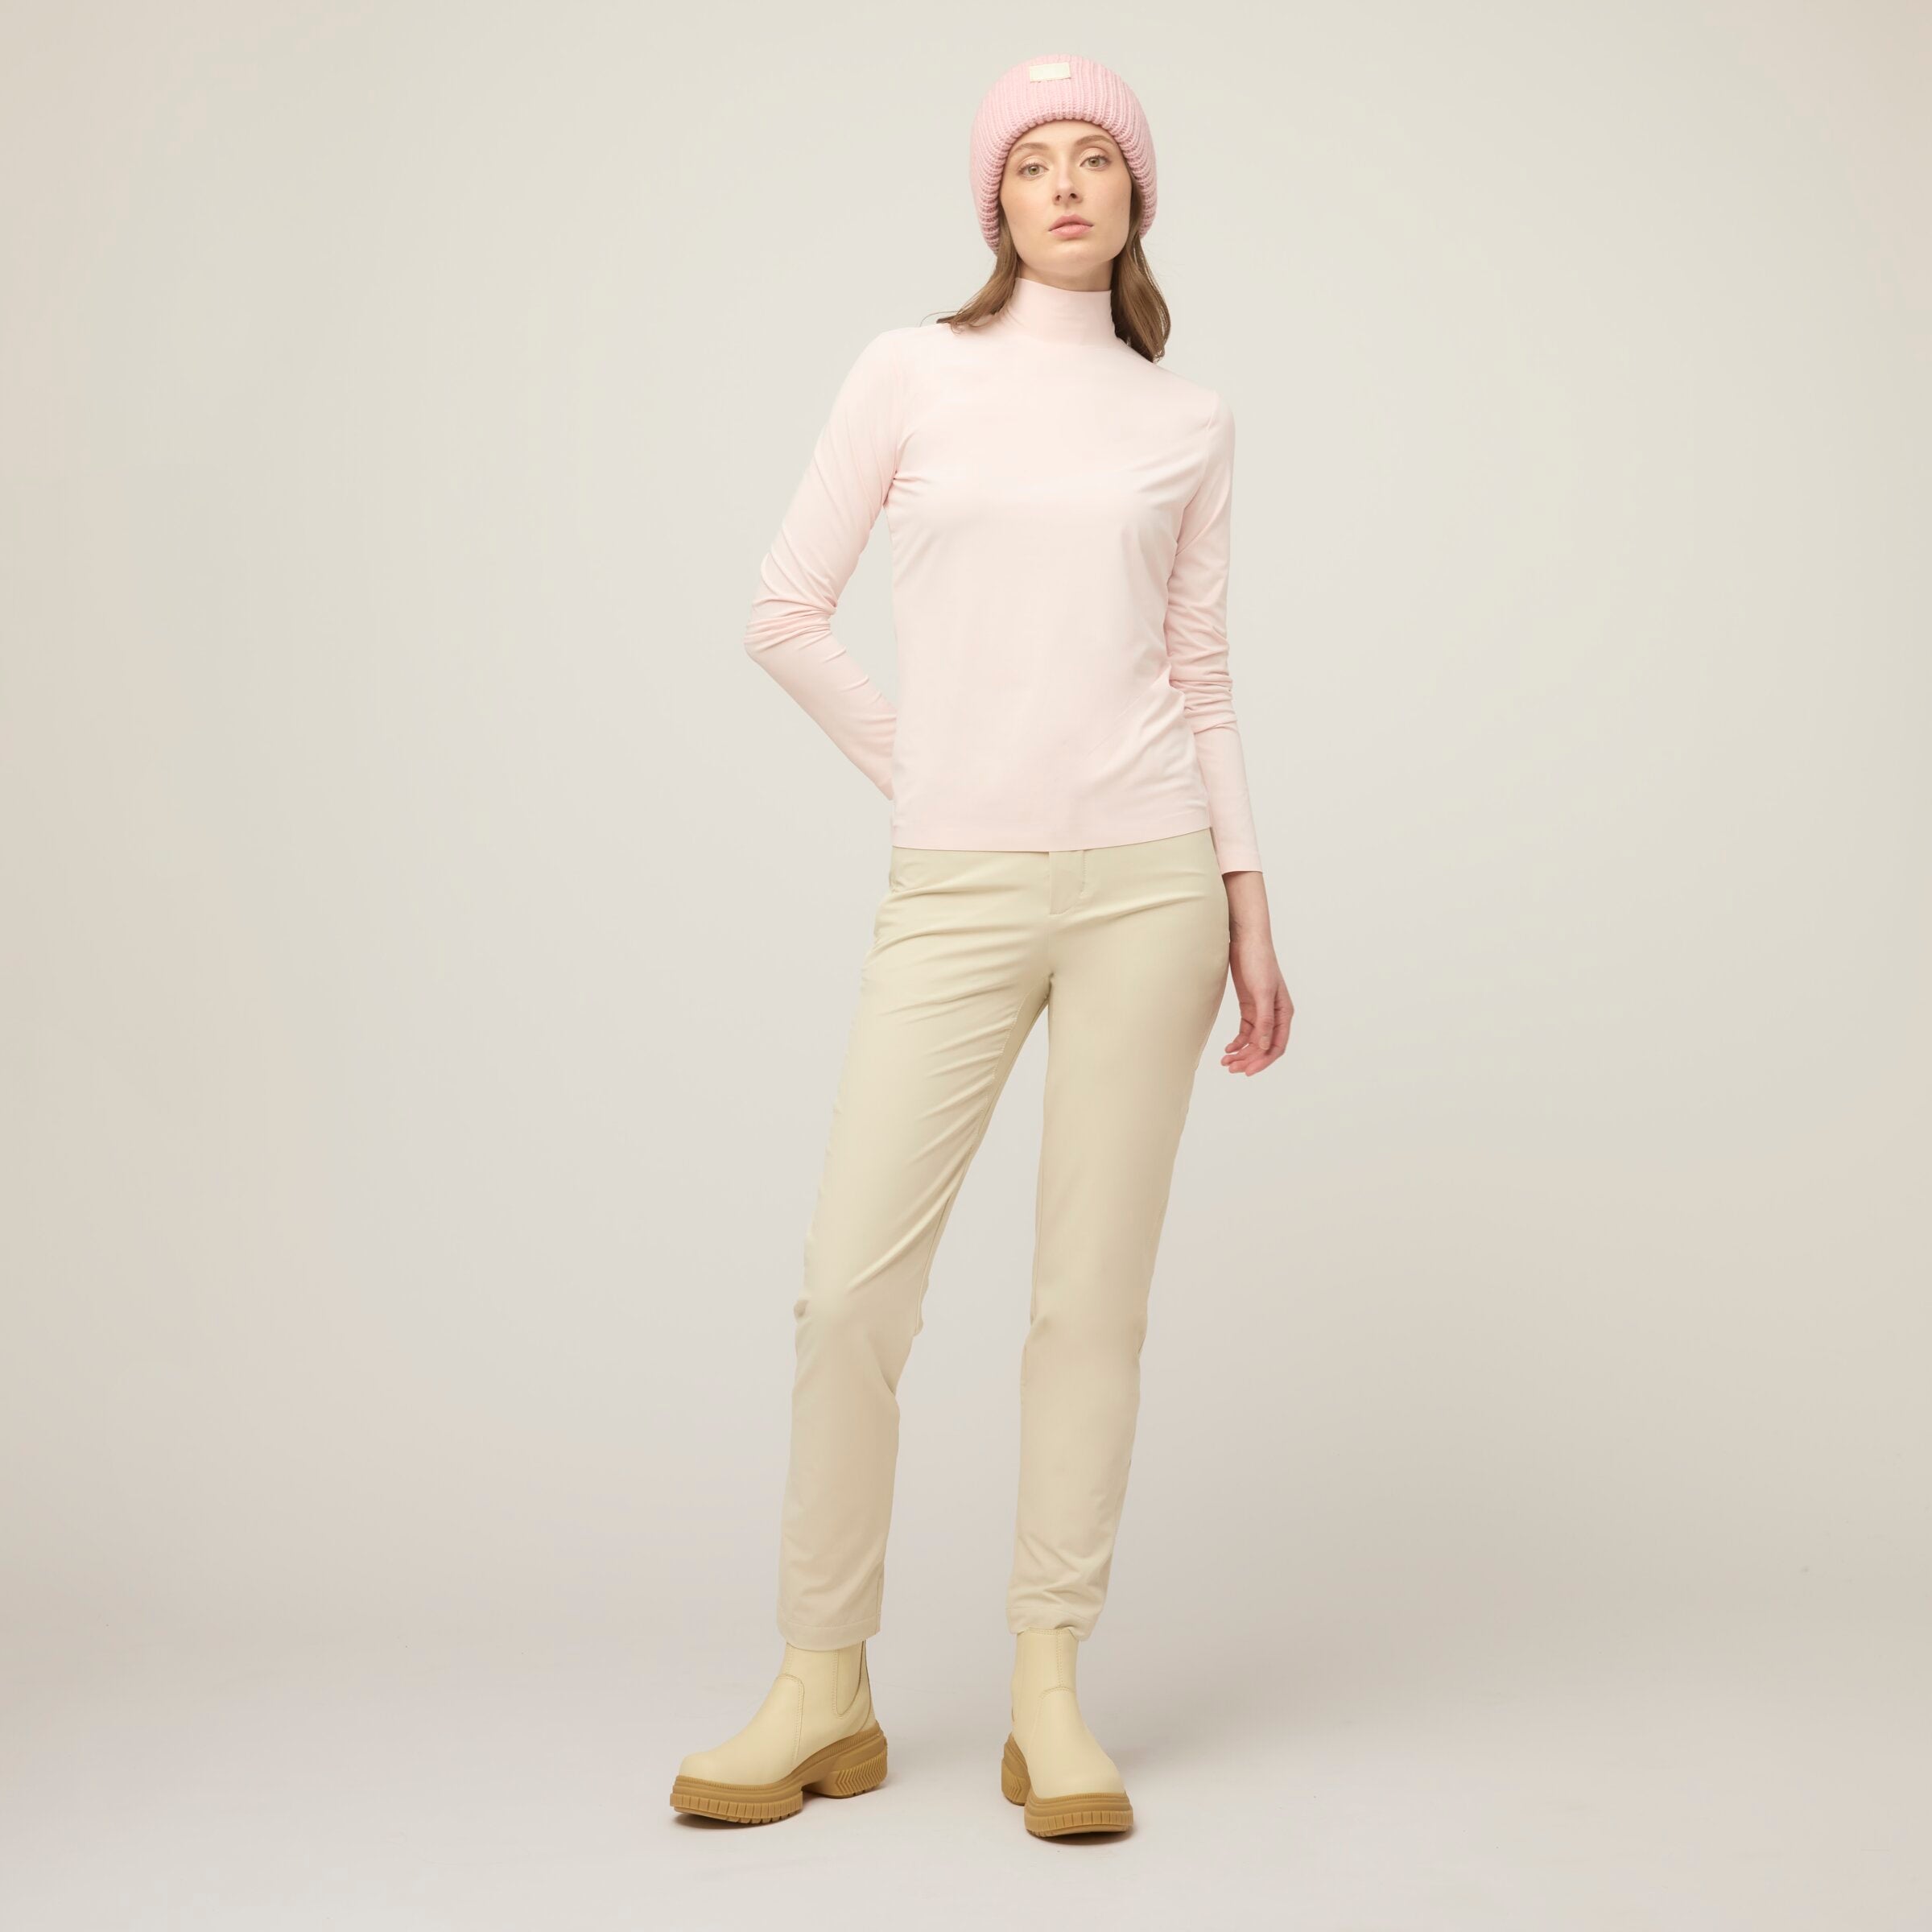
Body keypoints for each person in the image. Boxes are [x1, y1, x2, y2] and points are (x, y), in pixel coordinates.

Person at [670, 51, 1293, 1839]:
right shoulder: (909, 372)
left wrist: (1249, 897)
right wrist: (923, 769)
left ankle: (1049, 1690)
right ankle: (822, 1685)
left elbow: (1202, 676)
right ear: (994, 199)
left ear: (1138, 195)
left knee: (1089, 1301)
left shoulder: (1190, 419)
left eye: (1098, 156)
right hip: (957, 884)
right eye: (1034, 160)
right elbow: (783, 611)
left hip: (1153, 882)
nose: (1067, 182)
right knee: (849, 1293)